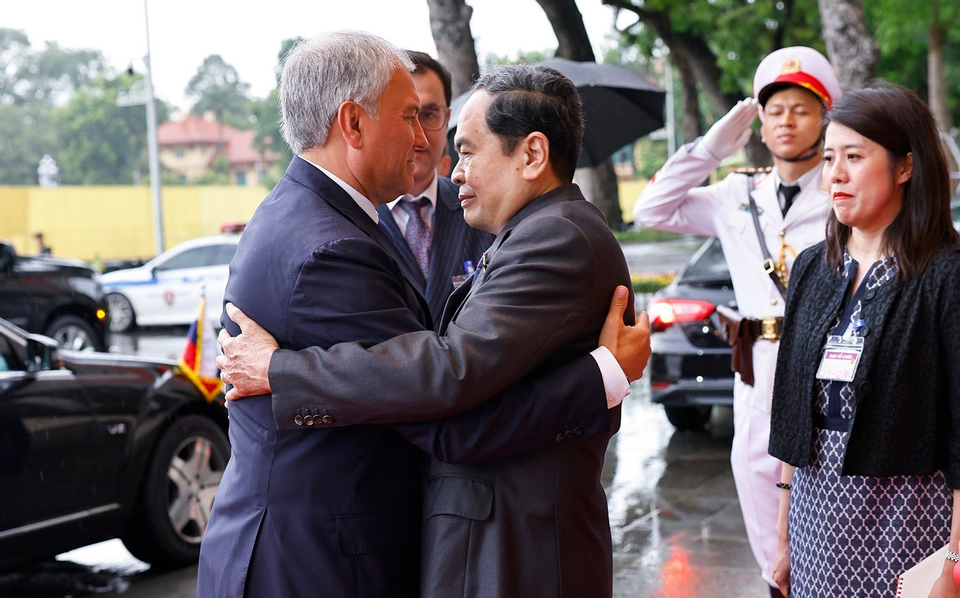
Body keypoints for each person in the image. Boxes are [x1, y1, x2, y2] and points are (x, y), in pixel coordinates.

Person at [198, 31, 648, 598]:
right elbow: (446, 412)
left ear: (531, 154)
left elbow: (446, 382)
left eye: (462, 147)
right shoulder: (331, 245)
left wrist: (282, 371)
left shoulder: (548, 235)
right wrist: (602, 377)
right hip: (316, 562)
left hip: (511, 548)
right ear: (353, 124)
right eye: (411, 117)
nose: (425, 146)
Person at [633, 46, 842, 596]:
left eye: (802, 108)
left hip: (824, 363)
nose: (786, 121)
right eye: (774, 111)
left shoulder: (841, 189)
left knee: (828, 499)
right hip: (756, 371)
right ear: (760, 123)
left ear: (825, 118)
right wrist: (707, 149)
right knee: (757, 491)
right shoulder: (737, 193)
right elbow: (651, 211)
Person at [769, 82, 960, 598]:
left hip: (908, 520)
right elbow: (792, 414)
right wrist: (782, 533)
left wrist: (957, 564)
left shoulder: (946, 274)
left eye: (854, 156)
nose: (835, 173)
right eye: (830, 157)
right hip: (814, 515)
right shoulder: (813, 267)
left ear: (905, 166)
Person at [378, 50, 493, 327]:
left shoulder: (487, 208)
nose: (416, 135)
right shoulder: (352, 218)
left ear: (448, 119)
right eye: (405, 116)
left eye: (428, 114)